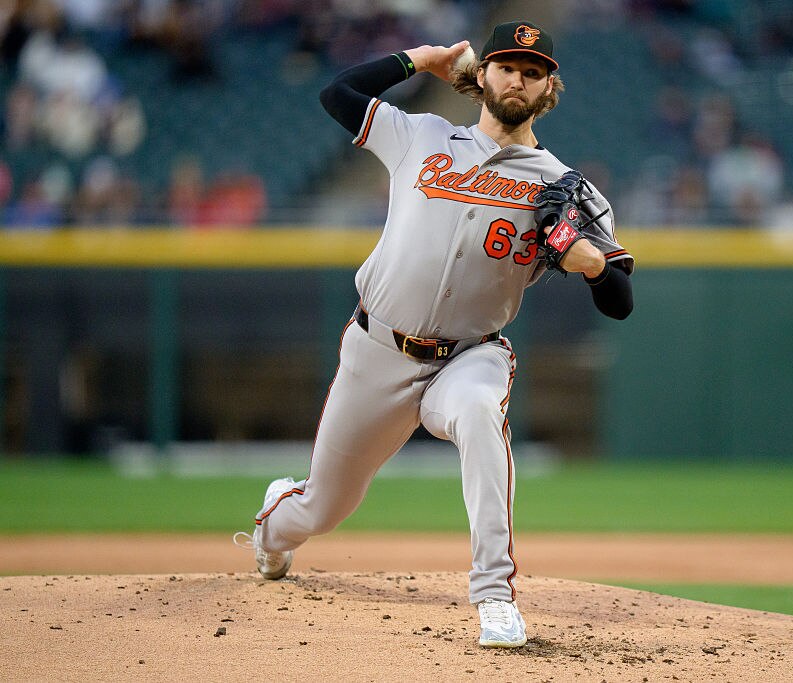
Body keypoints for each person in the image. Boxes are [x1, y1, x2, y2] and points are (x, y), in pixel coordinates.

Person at [234, 20, 633, 649]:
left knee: (478, 413)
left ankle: (494, 597)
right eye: (507, 66)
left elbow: (620, 304)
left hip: (470, 355)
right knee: (322, 509)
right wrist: (419, 60)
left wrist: (594, 264)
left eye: (533, 72)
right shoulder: (421, 135)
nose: (519, 80)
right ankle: (275, 523)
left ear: (549, 87)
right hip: (378, 350)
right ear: (485, 76)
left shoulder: (565, 186)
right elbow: (336, 95)